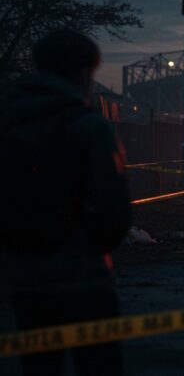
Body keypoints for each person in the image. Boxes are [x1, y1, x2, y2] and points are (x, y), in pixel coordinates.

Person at [0, 29, 131, 375]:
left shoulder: (8, 124)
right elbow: (114, 210)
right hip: (85, 276)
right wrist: (91, 245)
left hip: (24, 275)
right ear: (86, 72)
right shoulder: (89, 128)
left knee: (40, 366)